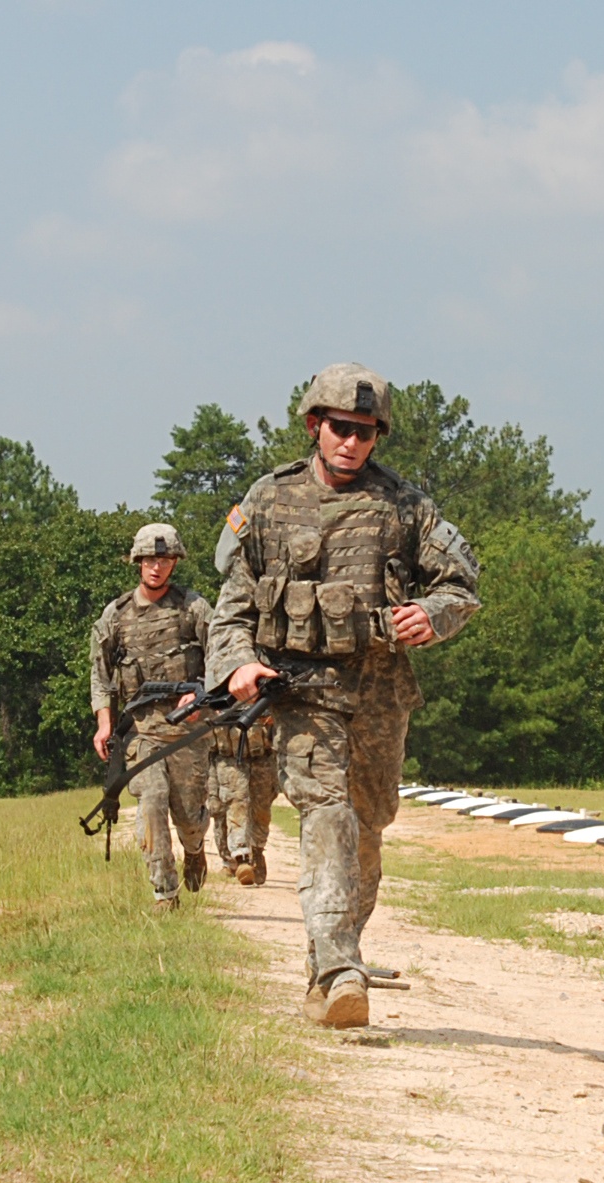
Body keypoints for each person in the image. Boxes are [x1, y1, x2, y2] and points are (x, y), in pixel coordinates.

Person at [206, 362, 479, 1026]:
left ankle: (327, 963)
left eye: (366, 432)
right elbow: (230, 612)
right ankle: (339, 969)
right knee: (325, 814)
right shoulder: (269, 502)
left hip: (380, 697)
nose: (352, 443)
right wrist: (239, 664)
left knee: (367, 826)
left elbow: (460, 586)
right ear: (312, 425)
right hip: (304, 695)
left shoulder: (407, 507)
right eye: (340, 429)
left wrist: (433, 615)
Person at [90, 523, 214, 910]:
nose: (156, 567)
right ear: (137, 562)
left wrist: (199, 700)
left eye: (164, 559)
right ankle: (165, 892)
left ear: (174, 562)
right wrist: (104, 723)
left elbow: (223, 661)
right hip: (143, 732)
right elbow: (101, 673)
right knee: (152, 802)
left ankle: (195, 850)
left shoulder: (194, 608)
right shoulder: (116, 615)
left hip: (189, 733)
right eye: (149, 559)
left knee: (189, 818)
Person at [207, 716, 279, 885]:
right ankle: (241, 859)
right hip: (228, 755)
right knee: (234, 803)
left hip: (263, 754)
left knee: (262, 808)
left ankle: (257, 851)